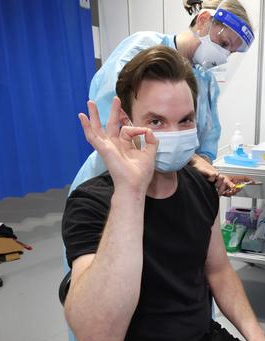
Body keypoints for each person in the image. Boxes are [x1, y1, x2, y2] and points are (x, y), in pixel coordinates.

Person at [63, 46, 265, 341]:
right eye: (156, 121)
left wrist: (258, 339)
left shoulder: (201, 187)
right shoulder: (92, 203)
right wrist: (131, 190)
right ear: (126, 123)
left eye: (184, 120)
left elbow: (219, 270)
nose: (174, 134)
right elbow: (98, 340)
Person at [71, 0, 255, 197]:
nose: (225, 56)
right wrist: (193, 161)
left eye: (231, 51)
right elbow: (115, 119)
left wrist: (211, 178)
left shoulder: (205, 80)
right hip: (114, 182)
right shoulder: (144, 47)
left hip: (168, 194)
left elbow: (205, 144)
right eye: (224, 44)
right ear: (202, 21)